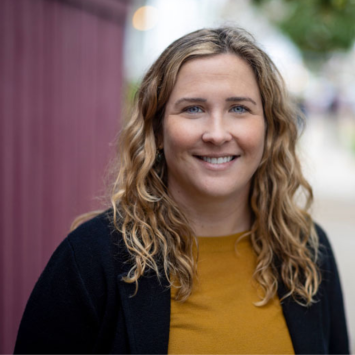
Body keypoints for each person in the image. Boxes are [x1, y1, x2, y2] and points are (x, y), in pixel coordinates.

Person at [14, 27, 349, 354]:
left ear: (268, 128)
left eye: (239, 108)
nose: (217, 134)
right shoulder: (89, 261)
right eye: (193, 109)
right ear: (158, 129)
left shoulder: (306, 251)